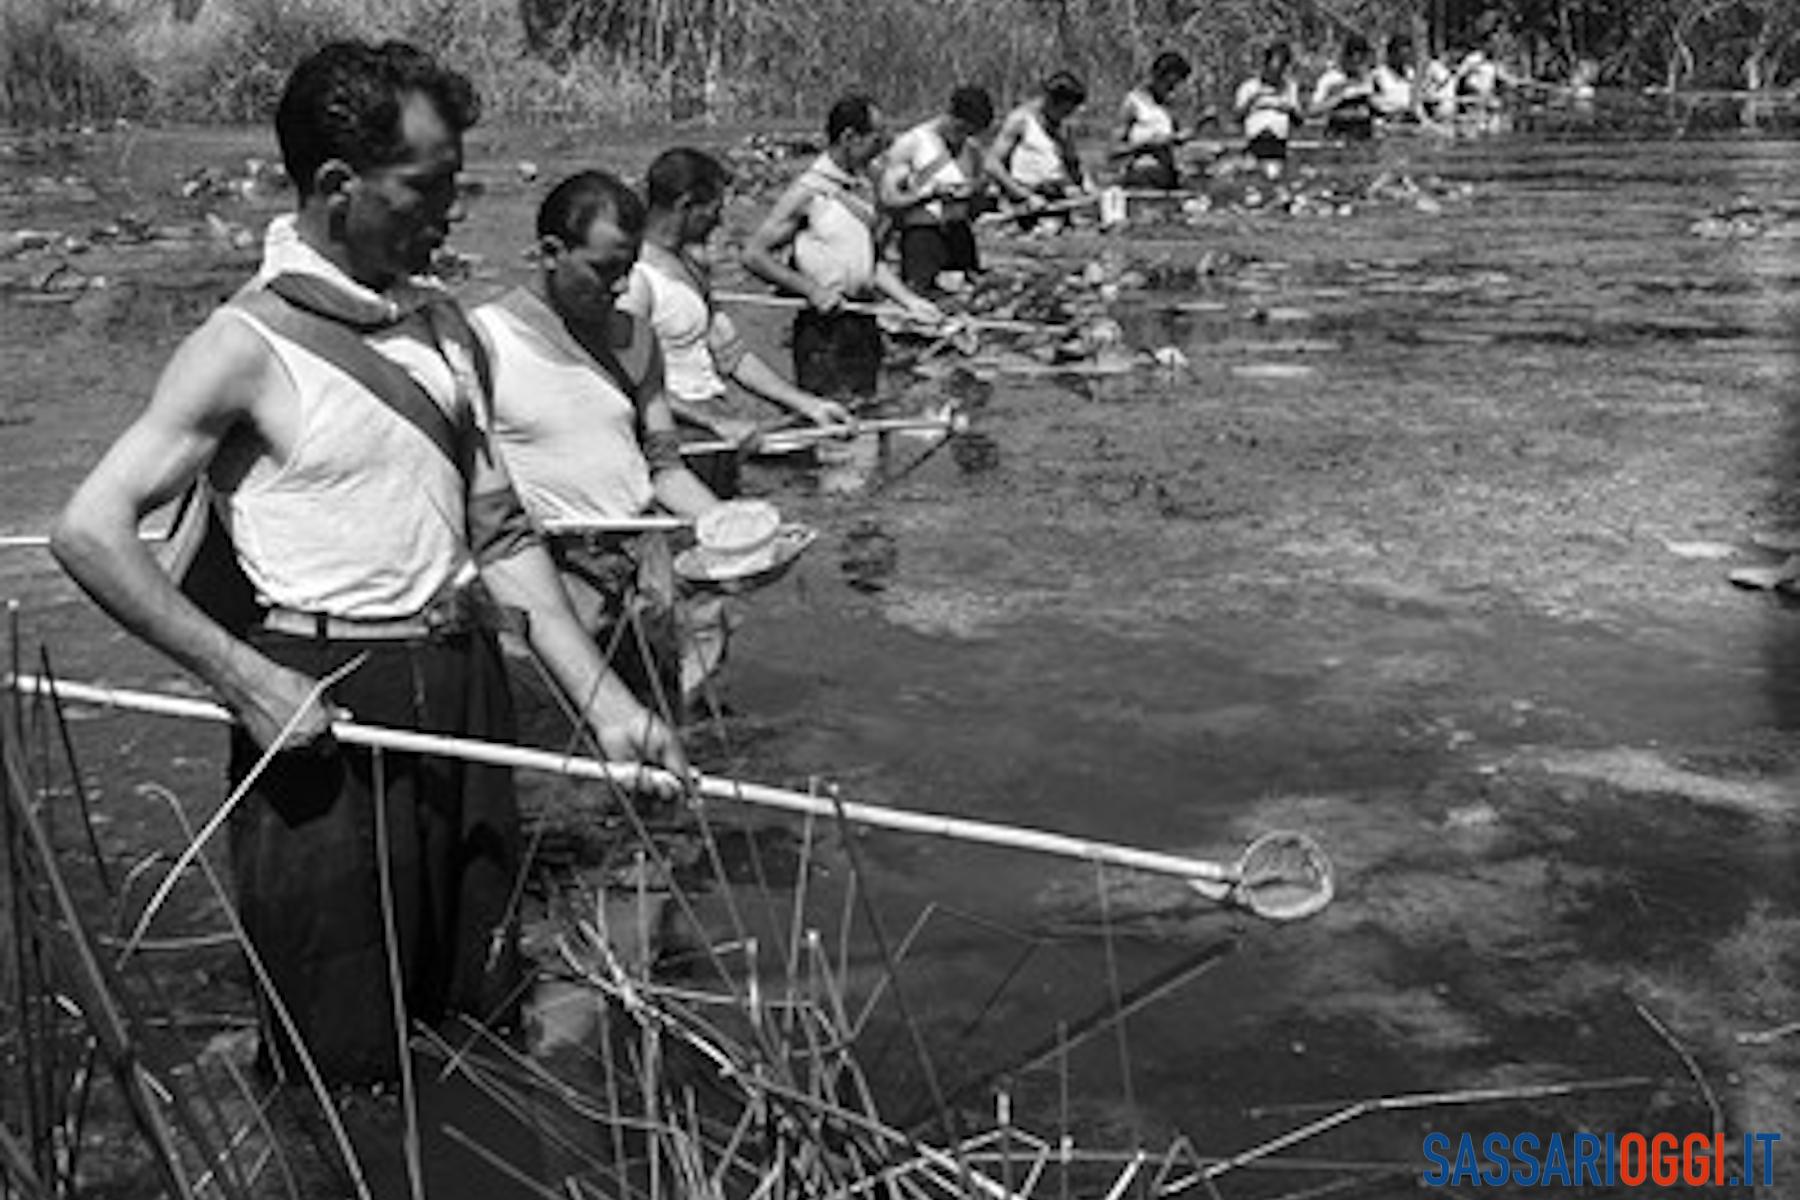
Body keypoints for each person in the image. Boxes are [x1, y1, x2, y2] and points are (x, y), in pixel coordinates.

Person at [49, 40, 686, 1087]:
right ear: (339, 187)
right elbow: (91, 529)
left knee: (481, 1004)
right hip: (324, 716)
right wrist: (247, 680)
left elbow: (504, 538)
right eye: (429, 188)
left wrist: (607, 705)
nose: (452, 212)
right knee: (341, 1054)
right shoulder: (244, 346)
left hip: (465, 687)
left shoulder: (442, 327)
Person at [472, 172, 734, 717]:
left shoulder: (638, 339)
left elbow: (664, 469)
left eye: (629, 269)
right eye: (603, 269)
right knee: (565, 751)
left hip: (643, 579)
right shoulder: (484, 341)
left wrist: (731, 530)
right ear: (550, 252)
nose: (618, 287)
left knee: (661, 729)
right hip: (554, 584)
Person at [625, 147, 851, 474]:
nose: (719, 221)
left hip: (714, 426)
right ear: (685, 205)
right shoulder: (636, 279)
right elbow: (628, 381)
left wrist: (808, 404)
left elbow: (732, 355)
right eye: (713, 209)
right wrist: (715, 423)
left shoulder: (690, 266)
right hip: (678, 437)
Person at [743, 93, 942, 407]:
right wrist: (811, 290)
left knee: (867, 416)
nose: (884, 146)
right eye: (877, 138)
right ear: (850, 138)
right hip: (823, 331)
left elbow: (870, 263)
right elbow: (755, 254)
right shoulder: (808, 191)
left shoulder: (864, 187)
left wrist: (909, 302)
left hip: (864, 322)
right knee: (832, 423)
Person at [880, 85, 997, 294]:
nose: (963, 137)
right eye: (961, 129)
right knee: (923, 297)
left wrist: (974, 194)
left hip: (959, 233)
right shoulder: (912, 144)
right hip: (923, 236)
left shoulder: (972, 150)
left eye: (970, 132)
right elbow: (889, 199)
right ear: (950, 115)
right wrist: (929, 195)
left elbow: (978, 198)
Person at [985, 71, 1092, 216]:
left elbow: (1073, 163)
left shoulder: (1063, 127)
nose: (1067, 116)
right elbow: (992, 164)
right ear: (1051, 101)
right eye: (1065, 110)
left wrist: (1086, 186)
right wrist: (1024, 195)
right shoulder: (1020, 120)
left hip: (1056, 193)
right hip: (1026, 194)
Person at [1116, 51, 1194, 190]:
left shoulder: (1169, 107)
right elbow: (1115, 149)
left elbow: (1177, 145)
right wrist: (1150, 144)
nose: (1172, 91)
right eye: (1169, 85)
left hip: (1167, 176)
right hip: (1142, 174)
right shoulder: (1133, 102)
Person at [1234, 42, 1302, 176]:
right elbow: (1237, 117)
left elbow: (1299, 119)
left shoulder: (1290, 88)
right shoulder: (1249, 87)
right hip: (1255, 140)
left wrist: (1287, 108)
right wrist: (1253, 101)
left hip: (1278, 142)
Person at [1310, 33, 1378, 140]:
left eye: (1361, 60)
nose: (1357, 64)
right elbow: (1313, 109)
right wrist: (1339, 97)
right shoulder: (1330, 79)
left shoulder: (1371, 79)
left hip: (1363, 136)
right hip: (1339, 134)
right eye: (1353, 59)